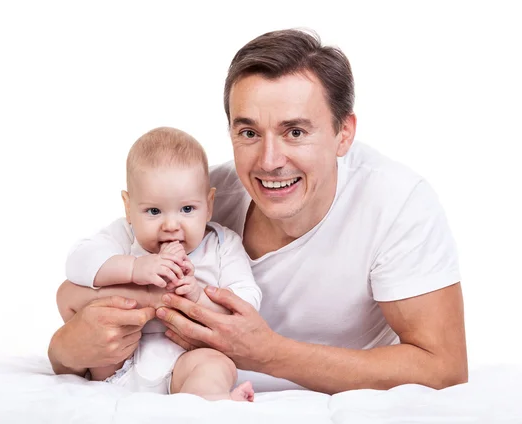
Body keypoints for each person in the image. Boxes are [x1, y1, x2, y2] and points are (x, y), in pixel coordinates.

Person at [48, 28, 467, 394]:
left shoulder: (397, 203)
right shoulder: (194, 204)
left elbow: (445, 367)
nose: (269, 161)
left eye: (296, 132)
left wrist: (270, 355)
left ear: (344, 134)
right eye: (249, 132)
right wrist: (66, 349)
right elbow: (78, 292)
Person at [57, 126, 261, 401]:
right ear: (129, 208)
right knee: (92, 314)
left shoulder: (223, 245)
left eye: (187, 209)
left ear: (209, 204)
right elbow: (78, 262)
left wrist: (198, 297)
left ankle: (215, 403)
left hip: (186, 360)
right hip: (120, 358)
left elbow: (247, 302)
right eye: (153, 211)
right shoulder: (125, 235)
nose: (171, 225)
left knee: (216, 365)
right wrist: (134, 268)